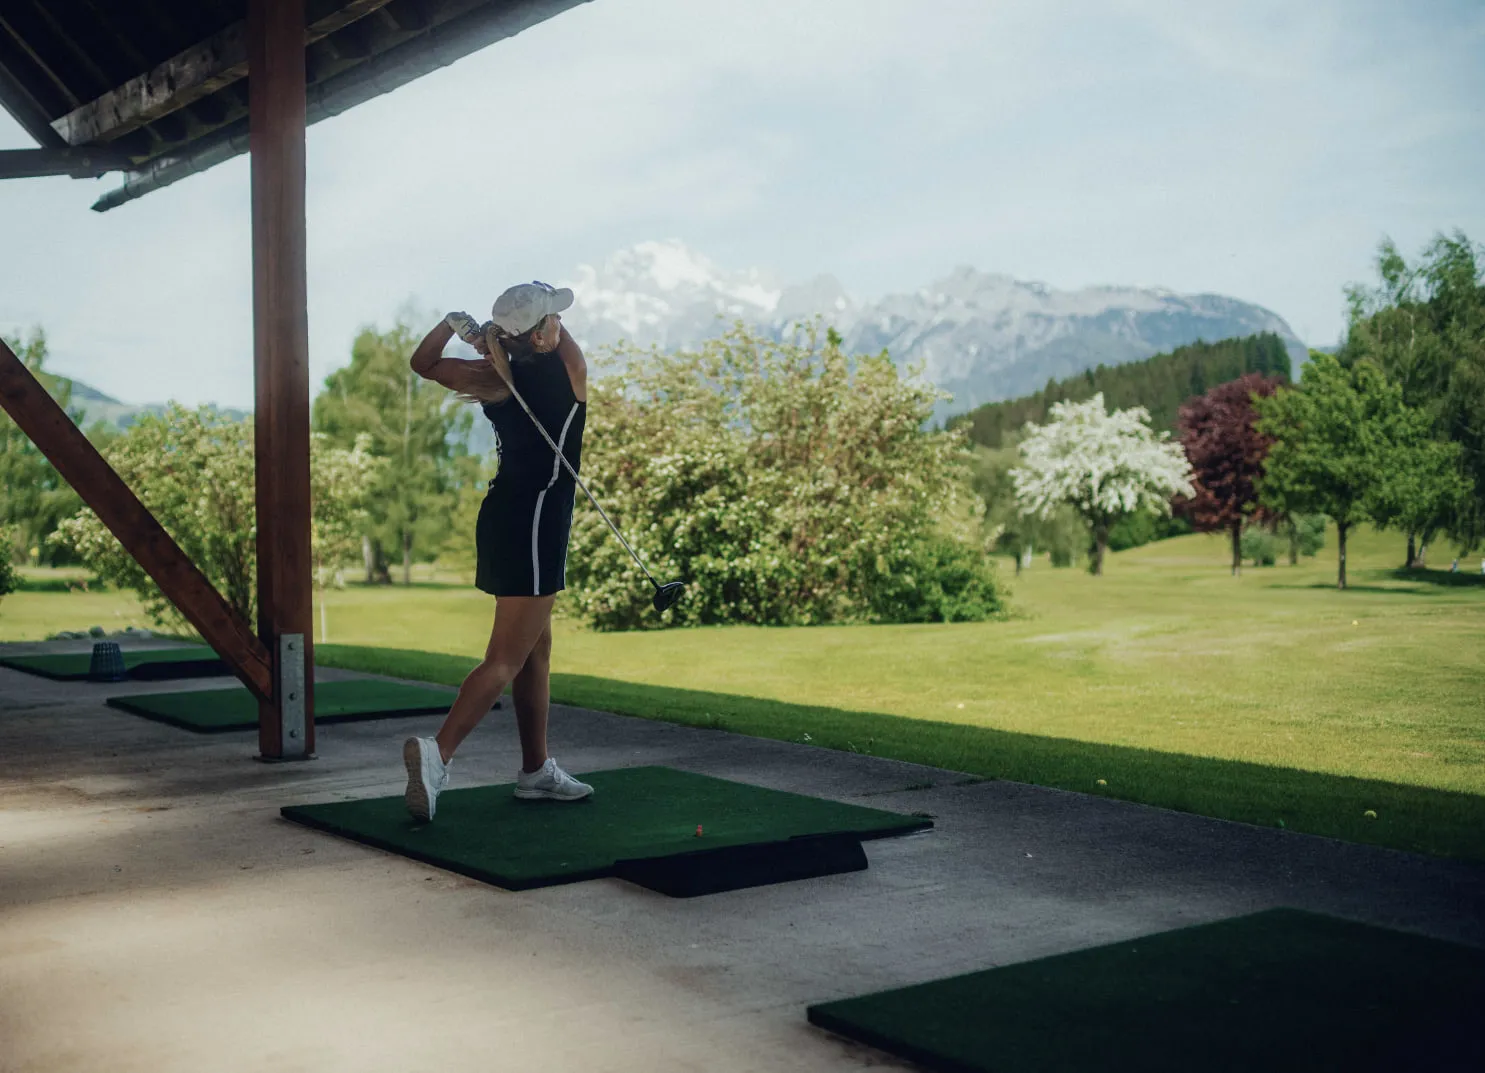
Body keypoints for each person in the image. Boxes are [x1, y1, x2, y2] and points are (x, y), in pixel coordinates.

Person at [400, 281, 594, 821]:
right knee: (505, 658)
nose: (560, 322)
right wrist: (507, 341)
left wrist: (458, 327)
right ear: (541, 332)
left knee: (535, 647)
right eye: (552, 317)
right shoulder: (568, 369)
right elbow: (561, 341)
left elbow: (424, 363)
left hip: (503, 515)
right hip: (538, 523)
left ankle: (536, 770)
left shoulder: (490, 379)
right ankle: (437, 757)